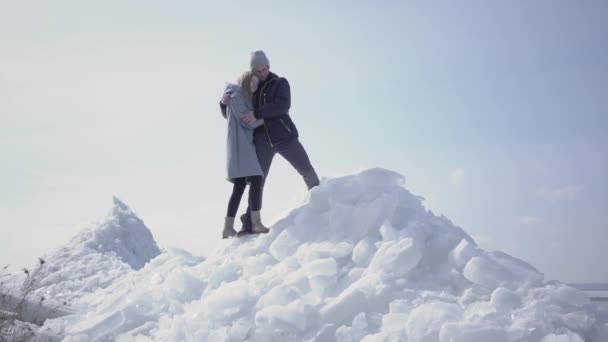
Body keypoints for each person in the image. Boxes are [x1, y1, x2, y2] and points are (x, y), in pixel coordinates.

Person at [220, 50, 320, 236]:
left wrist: (257, 114)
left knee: (306, 169)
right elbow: (236, 111)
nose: (261, 73)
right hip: (261, 141)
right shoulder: (251, 88)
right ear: (252, 70)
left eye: (264, 68)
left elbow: (282, 106)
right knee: (257, 181)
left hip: (285, 137)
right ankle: (249, 222)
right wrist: (224, 104)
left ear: (269, 67)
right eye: (257, 70)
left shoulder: (280, 83)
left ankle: (322, 202)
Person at [221, 70, 270, 238]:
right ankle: (255, 223)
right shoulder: (236, 97)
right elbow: (247, 122)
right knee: (257, 178)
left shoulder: (236, 96)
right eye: (252, 83)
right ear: (244, 81)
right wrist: (265, 118)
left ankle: (228, 227)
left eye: (257, 84)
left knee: (240, 186)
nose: (254, 87)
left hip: (240, 146)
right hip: (240, 148)